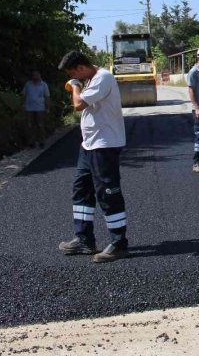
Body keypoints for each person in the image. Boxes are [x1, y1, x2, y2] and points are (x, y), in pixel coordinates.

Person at [57, 50, 128, 263]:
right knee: (81, 189)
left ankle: (119, 243)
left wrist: (75, 86)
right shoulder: (90, 80)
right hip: (89, 145)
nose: (74, 78)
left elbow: (78, 105)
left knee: (108, 193)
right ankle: (84, 239)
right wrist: (80, 84)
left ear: (80, 68)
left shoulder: (102, 78)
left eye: (73, 74)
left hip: (104, 145)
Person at [22, 70, 50, 148]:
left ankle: (42, 142)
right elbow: (24, 95)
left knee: (40, 125)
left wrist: (47, 107)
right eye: (34, 75)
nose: (35, 77)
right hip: (29, 108)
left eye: (37, 75)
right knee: (30, 125)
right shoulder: (28, 84)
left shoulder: (44, 85)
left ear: (40, 76)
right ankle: (31, 142)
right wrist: (23, 105)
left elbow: (47, 96)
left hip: (40, 108)